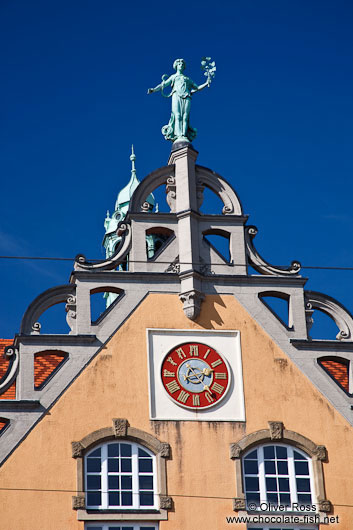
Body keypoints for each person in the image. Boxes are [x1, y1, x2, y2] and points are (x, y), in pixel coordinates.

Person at [148, 58, 211, 143]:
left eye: (182, 64)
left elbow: (197, 88)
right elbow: (163, 85)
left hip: (187, 96)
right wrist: (154, 89)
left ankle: (183, 136)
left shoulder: (187, 79)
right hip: (176, 95)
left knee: (185, 117)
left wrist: (206, 83)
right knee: (177, 115)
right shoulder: (173, 77)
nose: (181, 65)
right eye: (179, 64)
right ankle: (178, 136)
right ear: (176, 66)